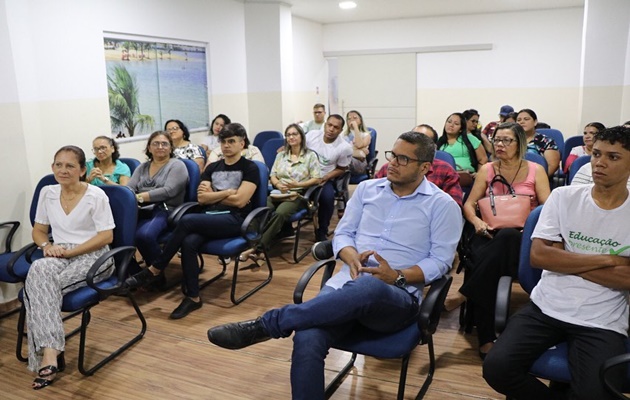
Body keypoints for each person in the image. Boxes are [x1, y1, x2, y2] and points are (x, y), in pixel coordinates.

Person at [207, 132, 462, 400]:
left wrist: (397, 275)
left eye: (402, 158)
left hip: (396, 299)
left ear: (424, 167)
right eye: (392, 155)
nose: (393, 163)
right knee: (307, 337)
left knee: (368, 285)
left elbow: (441, 262)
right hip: (344, 287)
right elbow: (342, 233)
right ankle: (278, 326)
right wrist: (349, 254)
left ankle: (267, 325)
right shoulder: (366, 190)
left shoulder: (442, 205)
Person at [483, 125, 630, 400]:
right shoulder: (564, 198)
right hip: (545, 308)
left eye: (613, 157)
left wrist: (565, 258)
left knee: (596, 393)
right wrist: (610, 260)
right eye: (597, 154)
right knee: (496, 368)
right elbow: (539, 257)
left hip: (602, 320)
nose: (599, 162)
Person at [125, 123, 260, 319]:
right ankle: (193, 297)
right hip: (209, 217)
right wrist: (226, 193)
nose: (226, 146)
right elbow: (202, 199)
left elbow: (240, 202)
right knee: (188, 242)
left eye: (232, 141)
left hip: (236, 220)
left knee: (187, 221)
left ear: (242, 144)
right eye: (223, 141)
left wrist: (215, 194)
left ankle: (155, 268)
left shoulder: (250, 168)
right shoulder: (212, 167)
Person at [444, 122, 550, 359]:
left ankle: (468, 296)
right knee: (491, 258)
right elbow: (469, 204)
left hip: (524, 238)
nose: (499, 145)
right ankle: (485, 336)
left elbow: (548, 208)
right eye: (497, 140)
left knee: (508, 238)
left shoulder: (536, 170)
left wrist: (533, 228)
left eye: (507, 140)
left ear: (520, 144)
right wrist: (477, 222)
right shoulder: (488, 169)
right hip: (489, 233)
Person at [26, 146, 115, 389]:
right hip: (60, 252)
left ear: (82, 170)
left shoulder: (96, 195)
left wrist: (71, 252)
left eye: (70, 166)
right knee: (37, 271)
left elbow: (106, 236)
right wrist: (46, 245)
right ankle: (52, 351)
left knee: (35, 288)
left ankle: (47, 354)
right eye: (58, 165)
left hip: (94, 255)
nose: (63, 170)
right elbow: (39, 230)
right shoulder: (47, 192)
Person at [240, 124, 321, 262]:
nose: (291, 137)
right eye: (288, 135)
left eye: (294, 134)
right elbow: (273, 175)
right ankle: (252, 243)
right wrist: (277, 184)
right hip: (278, 192)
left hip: (297, 195)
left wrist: (298, 184)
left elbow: (317, 179)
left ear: (301, 136)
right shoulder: (281, 155)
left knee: (281, 213)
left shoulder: (310, 156)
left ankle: (257, 249)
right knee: (260, 209)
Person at [126, 131, 188, 279]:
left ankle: (156, 275)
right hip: (140, 210)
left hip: (166, 209)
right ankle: (134, 271)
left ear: (170, 148)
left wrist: (138, 197)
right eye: (156, 143)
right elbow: (129, 188)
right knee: (117, 234)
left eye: (164, 144)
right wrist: (130, 197)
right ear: (149, 148)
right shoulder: (142, 167)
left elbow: (169, 191)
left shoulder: (177, 165)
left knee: (144, 236)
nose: (160, 147)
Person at [375, 124, 463, 207]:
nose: (393, 162)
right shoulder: (389, 168)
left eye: (422, 140)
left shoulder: (445, 171)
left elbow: (453, 207)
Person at [305, 114, 352, 241]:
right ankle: (286, 228)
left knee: (327, 198)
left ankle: (322, 230)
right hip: (303, 175)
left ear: (340, 130)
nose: (331, 129)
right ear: (325, 125)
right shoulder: (311, 135)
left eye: (336, 127)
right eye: (329, 125)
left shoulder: (344, 147)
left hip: (323, 178)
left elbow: (342, 169)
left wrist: (326, 177)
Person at [516, 108, 560, 176]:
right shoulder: (511, 140)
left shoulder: (546, 141)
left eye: (526, 119)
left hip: (538, 178)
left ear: (535, 122)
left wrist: (538, 180)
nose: (522, 122)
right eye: (519, 120)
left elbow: (552, 166)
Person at [342, 110, 372, 174]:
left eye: (355, 118)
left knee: (346, 160)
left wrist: (355, 127)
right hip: (345, 160)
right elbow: (340, 150)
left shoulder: (366, 134)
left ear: (360, 121)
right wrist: (360, 150)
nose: (352, 120)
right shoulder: (343, 134)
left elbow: (359, 145)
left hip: (359, 162)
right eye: (349, 119)